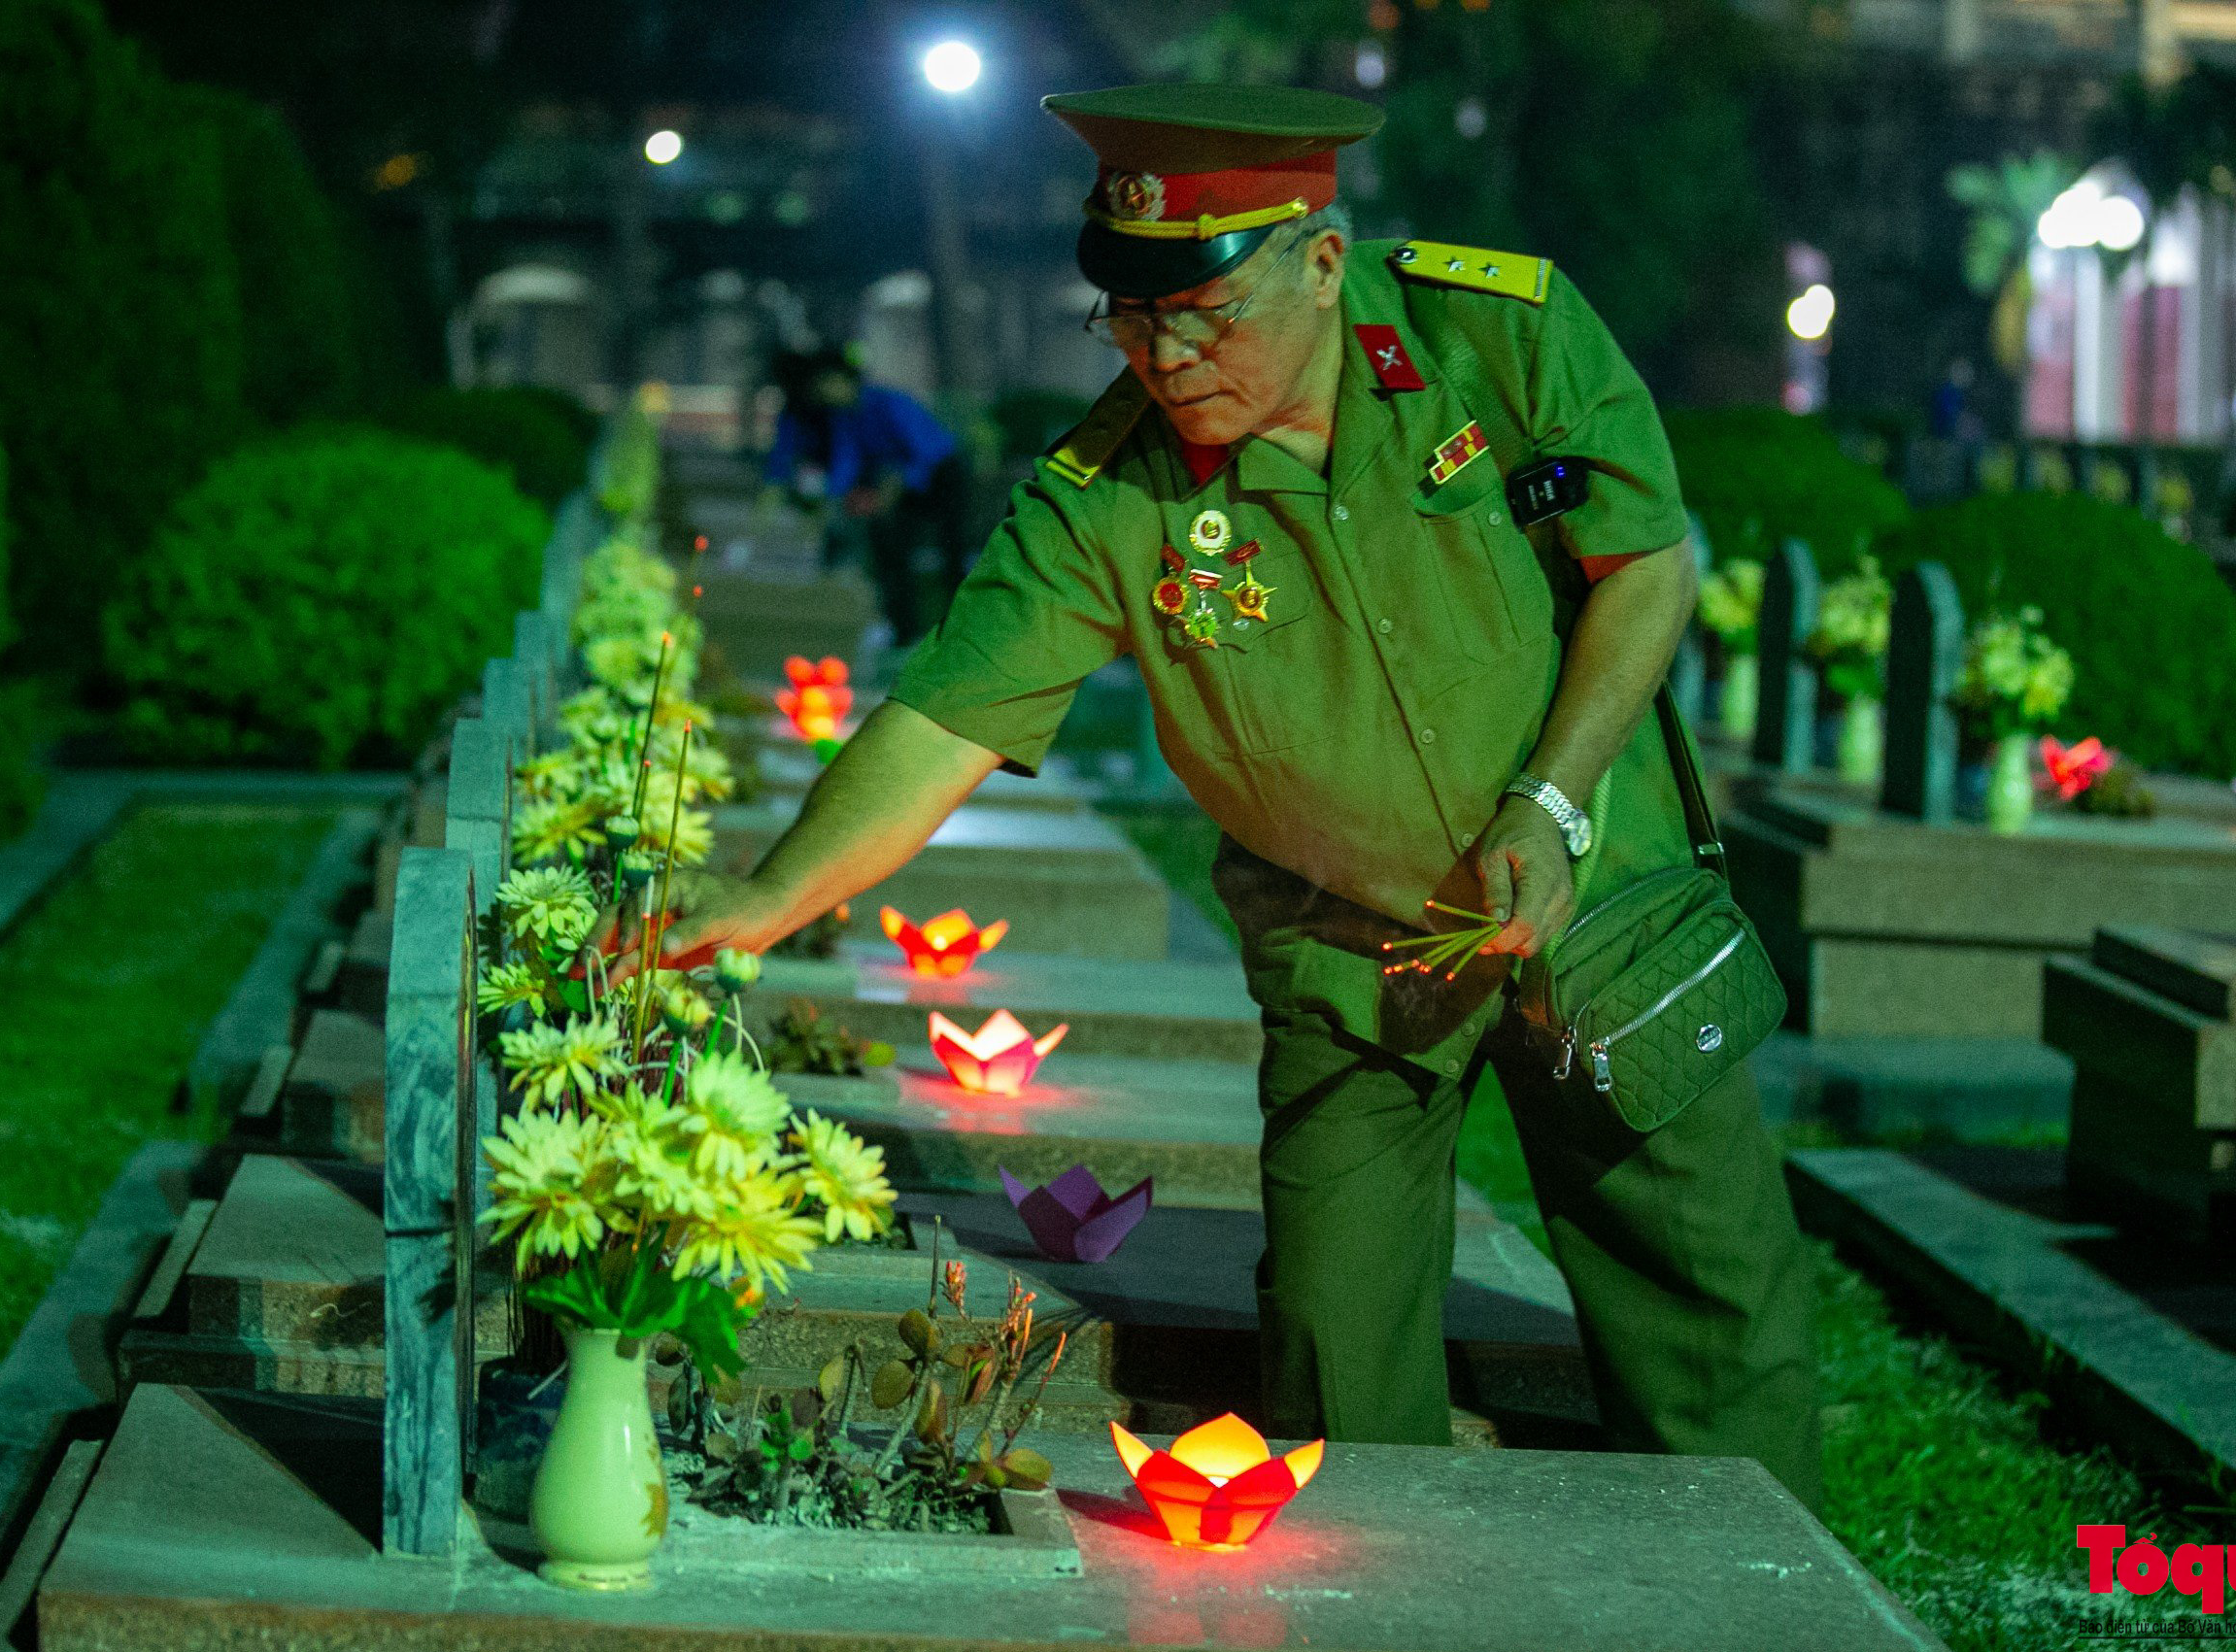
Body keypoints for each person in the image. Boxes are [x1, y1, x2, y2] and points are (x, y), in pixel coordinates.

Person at [640, 84, 1822, 1510]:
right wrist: (771, 896)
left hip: (1594, 884)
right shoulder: (1108, 489)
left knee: (1704, 1293)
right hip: (1349, 945)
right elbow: (942, 716)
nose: (1165, 354)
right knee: (1333, 1330)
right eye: (1130, 317)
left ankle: (1755, 1594)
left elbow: (1648, 560)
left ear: (1322, 263)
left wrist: (1554, 802)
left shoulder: (1494, 338)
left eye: (1203, 313)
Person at [760, 348, 968, 642]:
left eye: (825, 384)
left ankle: (961, 627)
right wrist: (836, 498)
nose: (820, 393)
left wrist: (898, 483)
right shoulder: (844, 418)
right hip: (897, 486)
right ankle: (904, 630)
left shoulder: (886, 402)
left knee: (952, 550)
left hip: (939, 476)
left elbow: (927, 452)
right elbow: (847, 462)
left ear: (843, 380)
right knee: (888, 545)